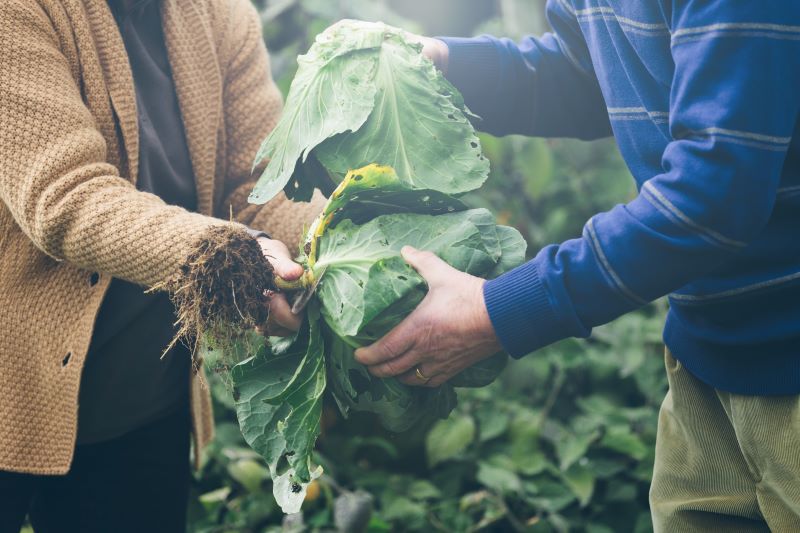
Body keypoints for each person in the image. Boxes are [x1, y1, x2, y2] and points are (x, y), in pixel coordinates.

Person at [356, 1, 800, 530]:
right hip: (707, 355)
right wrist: (449, 65)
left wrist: (500, 310)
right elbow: (593, 74)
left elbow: (713, 197)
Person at [0, 0, 319, 531]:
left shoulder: (221, 15)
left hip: (141, 399)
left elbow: (260, 188)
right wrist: (234, 256)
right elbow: (67, 195)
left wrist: (348, 244)